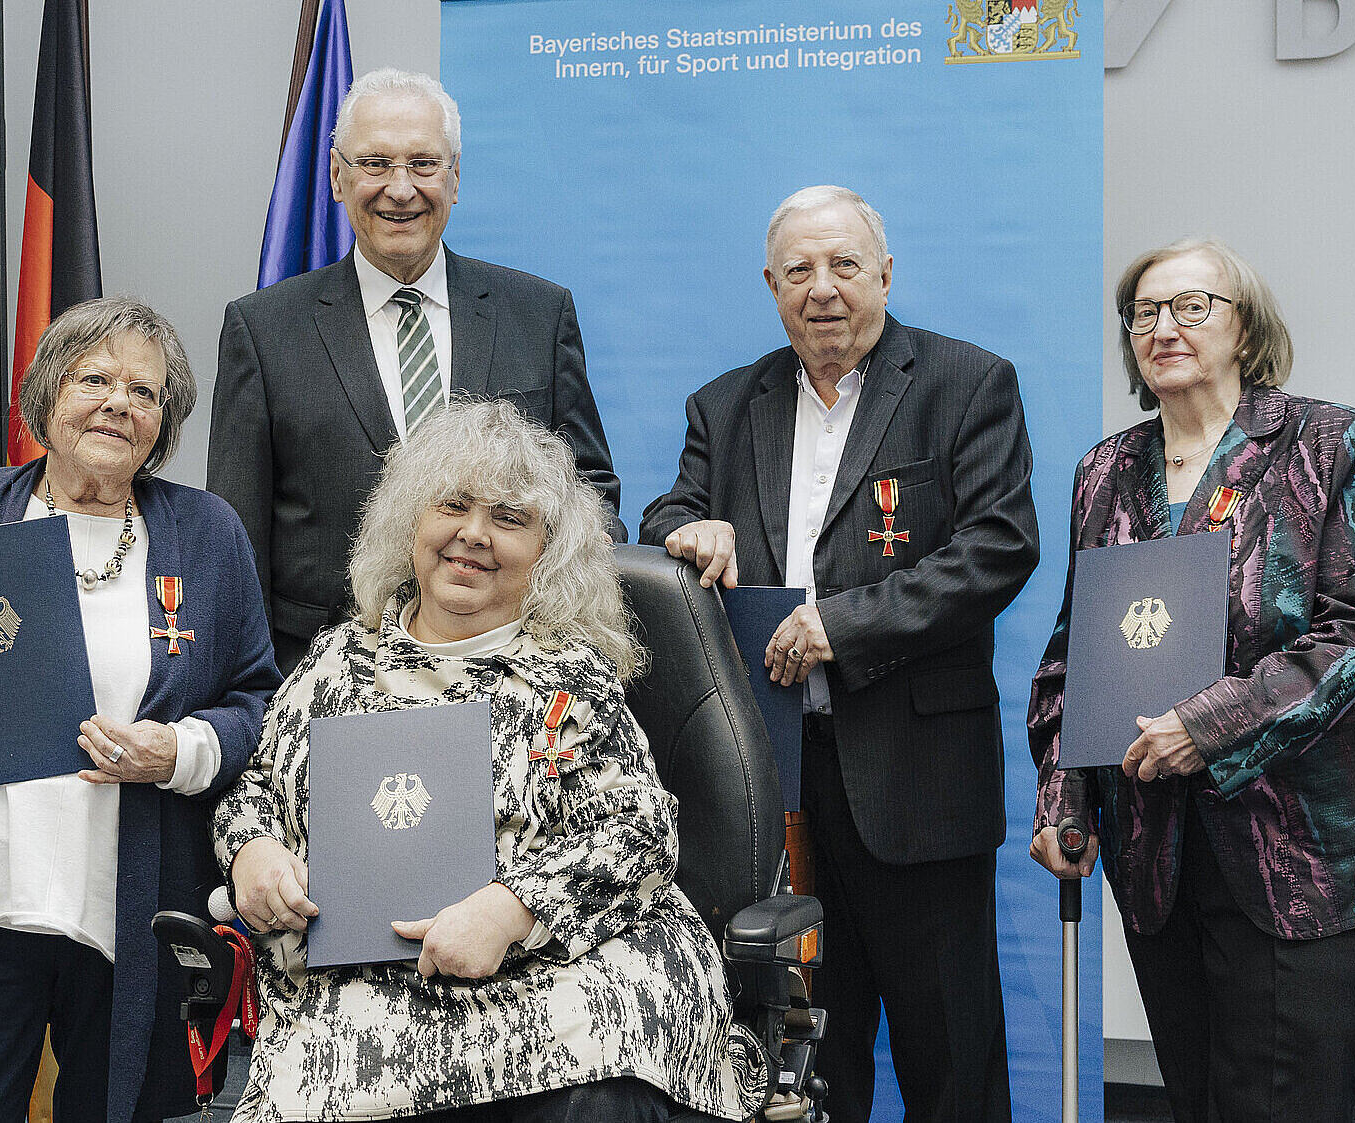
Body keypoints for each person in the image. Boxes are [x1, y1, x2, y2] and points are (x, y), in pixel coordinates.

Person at [213, 399, 752, 1122]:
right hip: (373, 984)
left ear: (546, 550)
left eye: (508, 517)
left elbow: (640, 831)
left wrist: (511, 909)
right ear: (412, 525)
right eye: (454, 506)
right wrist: (252, 852)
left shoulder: (569, 672)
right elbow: (254, 790)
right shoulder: (338, 662)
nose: (473, 534)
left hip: (561, 967)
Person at [639, 185, 1037, 1123]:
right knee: (807, 1047)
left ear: (885, 275)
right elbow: (666, 513)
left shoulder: (967, 382)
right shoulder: (725, 402)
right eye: (800, 271)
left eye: (845, 265)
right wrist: (690, 532)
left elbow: (997, 547)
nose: (824, 289)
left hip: (918, 776)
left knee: (950, 1050)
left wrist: (841, 626)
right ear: (772, 287)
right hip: (771, 783)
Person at [0, 297, 282, 1123]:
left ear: (164, 422)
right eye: (96, 379)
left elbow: (257, 698)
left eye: (145, 392)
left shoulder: (207, 533)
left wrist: (179, 751)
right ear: (45, 395)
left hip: (131, 909)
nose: (121, 402)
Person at [1029, 238, 1355, 1123]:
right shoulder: (1106, 469)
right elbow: (1073, 656)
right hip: (1159, 857)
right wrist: (1064, 797)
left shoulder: (1328, 441)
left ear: (1245, 330)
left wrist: (1206, 723)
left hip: (1306, 853)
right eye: (1145, 312)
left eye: (1192, 306)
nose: (1164, 327)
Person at [208, 67, 623, 673]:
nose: (400, 189)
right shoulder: (264, 331)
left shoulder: (539, 314)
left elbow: (589, 494)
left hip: (513, 682)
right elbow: (237, 539)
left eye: (424, 165)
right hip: (325, 683)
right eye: (375, 164)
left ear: (455, 180)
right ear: (335, 178)